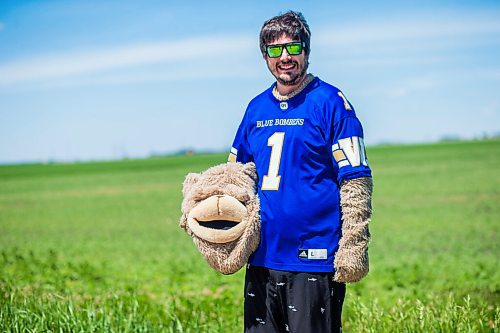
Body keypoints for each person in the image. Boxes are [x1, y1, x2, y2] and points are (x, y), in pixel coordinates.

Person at [228, 11, 373, 333]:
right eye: (275, 50)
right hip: (263, 256)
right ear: (265, 56)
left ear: (306, 50)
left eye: (293, 48)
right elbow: (235, 177)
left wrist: (354, 242)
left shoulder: (331, 102)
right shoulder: (256, 108)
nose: (285, 58)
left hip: (314, 256)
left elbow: (355, 178)